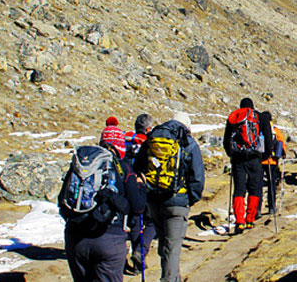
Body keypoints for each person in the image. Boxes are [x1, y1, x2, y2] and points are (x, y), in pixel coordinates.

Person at [60, 119, 145, 282]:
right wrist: (141, 187)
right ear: (120, 145)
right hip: (108, 238)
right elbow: (137, 207)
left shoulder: (81, 165)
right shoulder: (122, 167)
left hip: (75, 237)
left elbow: (62, 201)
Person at [134, 112, 204, 282]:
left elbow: (138, 166)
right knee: (173, 247)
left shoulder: (154, 138)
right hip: (177, 201)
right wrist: (189, 199)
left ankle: (173, 277)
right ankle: (169, 279)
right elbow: (197, 177)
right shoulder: (188, 143)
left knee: (164, 243)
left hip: (154, 200)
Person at [223, 98, 273, 234]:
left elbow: (226, 139)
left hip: (238, 159)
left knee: (239, 189)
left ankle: (239, 221)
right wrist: (266, 154)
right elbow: (268, 139)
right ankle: (250, 219)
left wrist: (231, 154)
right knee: (254, 188)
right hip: (255, 158)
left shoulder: (234, 117)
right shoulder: (261, 117)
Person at [123, 114, 156, 276]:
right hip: (146, 185)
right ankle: (140, 252)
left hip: (128, 187)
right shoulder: (149, 143)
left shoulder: (127, 141)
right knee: (151, 222)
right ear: (148, 128)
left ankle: (136, 257)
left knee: (135, 221)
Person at [259, 120, 286, 217]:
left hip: (260, 161)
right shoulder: (275, 130)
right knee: (271, 184)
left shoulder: (258, 129)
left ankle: (257, 208)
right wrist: (283, 155)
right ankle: (272, 206)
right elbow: (281, 143)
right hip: (272, 161)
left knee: (258, 185)